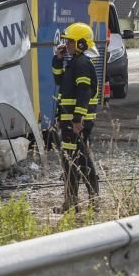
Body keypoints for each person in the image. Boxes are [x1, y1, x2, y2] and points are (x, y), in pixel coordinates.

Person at [52, 22, 100, 211]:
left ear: (81, 44)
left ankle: (88, 201)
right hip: (70, 120)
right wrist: (58, 59)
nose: (67, 45)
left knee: (78, 160)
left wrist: (78, 119)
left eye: (70, 42)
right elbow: (60, 81)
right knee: (72, 160)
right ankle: (74, 202)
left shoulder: (82, 64)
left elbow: (84, 92)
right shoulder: (74, 62)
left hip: (77, 122)